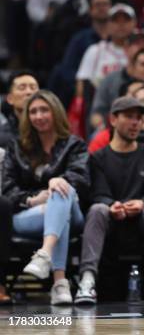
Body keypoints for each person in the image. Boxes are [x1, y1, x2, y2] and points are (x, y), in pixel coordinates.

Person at [74, 96, 144, 304]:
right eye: (129, 117)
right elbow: (97, 192)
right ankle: (87, 281)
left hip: (143, 220)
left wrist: (143, 202)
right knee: (97, 209)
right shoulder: (98, 157)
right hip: (111, 220)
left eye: (138, 118)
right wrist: (110, 204)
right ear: (113, 119)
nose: (135, 122)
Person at [3, 90, 88, 305]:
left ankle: (45, 254)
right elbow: (7, 189)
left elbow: (81, 179)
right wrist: (33, 199)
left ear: (55, 112)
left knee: (61, 189)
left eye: (44, 110)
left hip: (72, 208)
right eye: (33, 112)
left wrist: (56, 183)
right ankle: (60, 283)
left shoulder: (74, 145)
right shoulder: (17, 148)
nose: (38, 116)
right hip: (29, 214)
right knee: (60, 212)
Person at [0, 71, 39, 147]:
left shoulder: (52, 132)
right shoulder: (2, 137)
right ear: (10, 99)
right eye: (22, 88)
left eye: (33, 88)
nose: (29, 92)